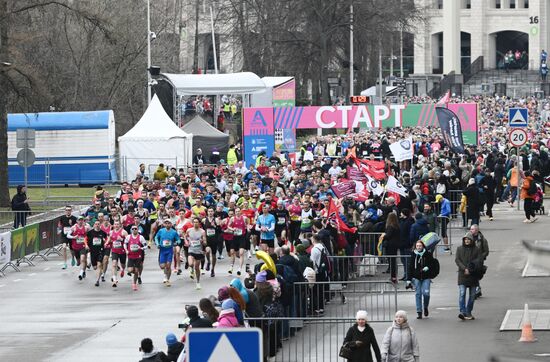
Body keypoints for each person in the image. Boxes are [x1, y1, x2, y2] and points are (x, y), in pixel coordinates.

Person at [406, 240, 439, 319]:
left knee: (426, 294)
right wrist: (409, 279)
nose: (418, 247)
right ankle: (419, 311)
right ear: (415, 247)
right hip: (416, 277)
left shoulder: (427, 254)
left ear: (423, 246)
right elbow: (410, 267)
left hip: (426, 277)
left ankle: (425, 307)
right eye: (417, 246)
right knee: (418, 294)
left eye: (420, 246)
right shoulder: (413, 255)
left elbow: (432, 263)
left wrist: (427, 267)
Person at [455, 234, 482, 320]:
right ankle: (462, 312)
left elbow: (478, 261)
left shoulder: (476, 249)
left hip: (473, 275)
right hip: (462, 275)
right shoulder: (459, 249)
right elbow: (457, 260)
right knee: (462, 293)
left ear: (471, 240)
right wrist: (464, 268)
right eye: (465, 239)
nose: (466, 241)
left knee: (472, 295)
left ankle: (468, 311)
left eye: (468, 239)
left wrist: (470, 269)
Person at [154, 219, 181, 287]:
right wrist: (157, 244)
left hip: (169, 250)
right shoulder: (161, 231)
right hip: (162, 250)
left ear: (171, 224)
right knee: (162, 266)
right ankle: (165, 273)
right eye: (166, 223)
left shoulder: (174, 232)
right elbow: (156, 237)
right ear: (164, 224)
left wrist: (177, 242)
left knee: (168, 266)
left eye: (169, 223)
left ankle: (167, 279)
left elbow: (178, 239)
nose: (167, 224)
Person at [465, 225, 489, 299]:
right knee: (471, 275)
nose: (471, 230)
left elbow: (486, 251)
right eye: (470, 229)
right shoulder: (468, 237)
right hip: (470, 260)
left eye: (472, 229)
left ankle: (476, 289)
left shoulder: (482, 239)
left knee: (476, 275)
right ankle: (476, 289)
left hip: (478, 261)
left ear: (477, 230)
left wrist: (480, 257)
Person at [67, 216, 91, 281]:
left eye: (82, 220)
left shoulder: (86, 228)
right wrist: (74, 237)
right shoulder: (74, 227)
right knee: (78, 262)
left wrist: (88, 243)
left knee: (83, 259)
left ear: (83, 221)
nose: (81, 221)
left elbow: (91, 234)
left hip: (83, 246)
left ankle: (81, 273)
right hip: (75, 247)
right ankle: (82, 270)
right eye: (79, 220)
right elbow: (68, 235)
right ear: (77, 221)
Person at [186, 217, 206, 290]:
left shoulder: (202, 231)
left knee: (197, 268)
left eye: (197, 222)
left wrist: (202, 241)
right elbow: (185, 237)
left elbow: (205, 242)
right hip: (191, 250)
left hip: (199, 251)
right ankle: (191, 269)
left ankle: (198, 282)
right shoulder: (189, 230)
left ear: (199, 223)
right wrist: (187, 242)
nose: (195, 223)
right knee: (191, 264)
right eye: (194, 222)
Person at [86, 220, 108, 287]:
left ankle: (97, 280)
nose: (97, 225)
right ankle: (101, 272)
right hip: (93, 252)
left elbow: (107, 239)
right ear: (94, 225)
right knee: (95, 267)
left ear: (100, 225)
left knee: (99, 265)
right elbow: (85, 239)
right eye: (96, 224)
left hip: (100, 251)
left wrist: (105, 242)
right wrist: (86, 245)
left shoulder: (103, 233)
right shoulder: (90, 233)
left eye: (98, 224)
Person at [125, 225, 146, 291]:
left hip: (138, 256)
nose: (134, 230)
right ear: (131, 230)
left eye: (135, 229)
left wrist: (141, 248)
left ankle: (134, 284)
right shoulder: (128, 237)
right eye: (133, 229)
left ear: (137, 230)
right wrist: (126, 250)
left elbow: (145, 246)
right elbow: (124, 244)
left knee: (136, 271)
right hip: (130, 256)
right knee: (130, 270)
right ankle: (136, 273)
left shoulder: (141, 237)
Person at [382, 213, 401, 284]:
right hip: (395, 245)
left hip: (390, 245)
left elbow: (388, 236)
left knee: (391, 262)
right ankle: (394, 277)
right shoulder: (397, 226)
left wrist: (384, 236)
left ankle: (393, 277)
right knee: (393, 261)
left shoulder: (390, 226)